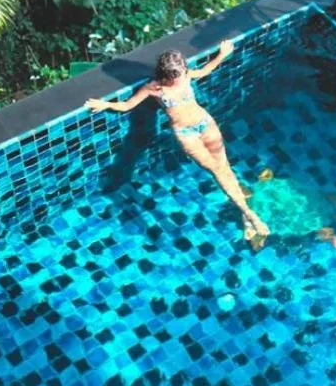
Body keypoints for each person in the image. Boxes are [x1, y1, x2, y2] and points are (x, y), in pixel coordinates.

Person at [85, 41, 270, 241]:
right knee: (217, 170)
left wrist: (222, 54)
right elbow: (127, 105)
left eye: (183, 70)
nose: (183, 75)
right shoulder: (154, 89)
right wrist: (104, 104)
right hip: (186, 134)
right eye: (178, 74)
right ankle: (251, 215)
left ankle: (244, 214)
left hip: (205, 123)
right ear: (167, 75)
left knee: (224, 166)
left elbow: (206, 70)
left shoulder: (187, 74)